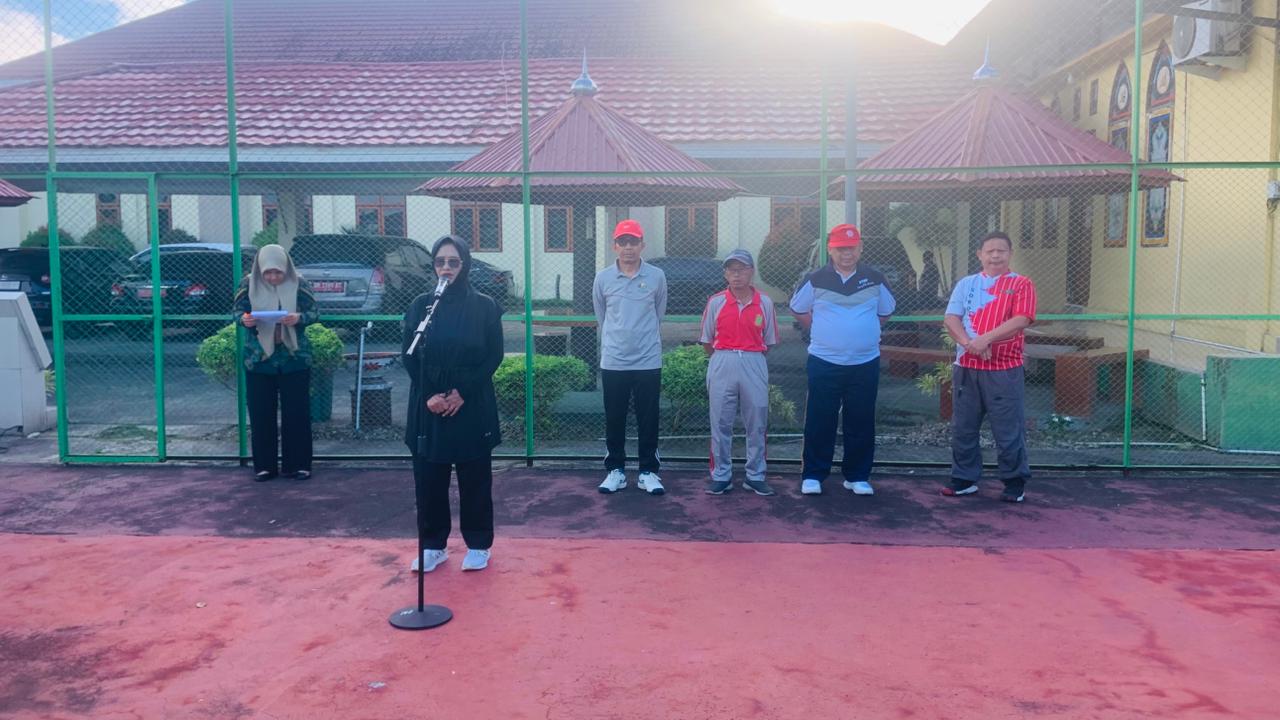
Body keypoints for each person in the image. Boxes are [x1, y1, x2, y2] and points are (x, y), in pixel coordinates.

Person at [402, 236, 503, 572]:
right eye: (440, 262)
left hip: (470, 401)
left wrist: (462, 392)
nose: (446, 268)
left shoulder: (485, 306)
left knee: (475, 476)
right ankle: (433, 546)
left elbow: (494, 355)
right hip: (428, 404)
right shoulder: (421, 305)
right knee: (429, 478)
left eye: (453, 262)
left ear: (465, 264)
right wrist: (429, 395)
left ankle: (478, 544)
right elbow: (409, 355)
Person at [790, 223, 896, 496]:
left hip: (865, 363)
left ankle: (857, 476)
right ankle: (813, 475)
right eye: (840, 248)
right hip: (824, 361)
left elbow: (885, 312)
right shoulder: (815, 279)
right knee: (819, 419)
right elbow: (799, 309)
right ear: (830, 249)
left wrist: (863, 331)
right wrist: (821, 329)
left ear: (860, 249)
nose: (846, 253)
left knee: (861, 419)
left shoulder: (875, 278)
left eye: (851, 248)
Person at [940, 231, 1037, 503]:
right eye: (990, 251)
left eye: (1001, 251)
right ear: (980, 255)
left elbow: (1022, 319)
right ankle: (964, 480)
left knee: (1008, 429)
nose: (995, 256)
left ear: (1010, 254)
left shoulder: (1021, 284)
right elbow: (951, 318)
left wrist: (985, 339)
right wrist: (968, 343)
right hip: (966, 367)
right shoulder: (966, 284)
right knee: (963, 427)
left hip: (1004, 369)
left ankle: (1014, 483)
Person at [593, 219, 668, 495]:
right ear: (615, 246)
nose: (628, 247)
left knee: (649, 418)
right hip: (614, 361)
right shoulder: (602, 278)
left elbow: (658, 313)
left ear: (642, 245)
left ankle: (648, 472)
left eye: (633, 242)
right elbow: (602, 316)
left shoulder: (657, 276)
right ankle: (616, 471)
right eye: (622, 242)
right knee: (615, 418)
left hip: (648, 360)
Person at [234, 244, 317, 482]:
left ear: (285, 269)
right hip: (258, 359)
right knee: (261, 414)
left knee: (297, 413)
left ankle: (298, 465)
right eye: (267, 273)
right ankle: (264, 466)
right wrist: (245, 320)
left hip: (294, 358)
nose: (272, 277)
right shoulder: (247, 283)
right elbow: (237, 312)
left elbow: (314, 312)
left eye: (277, 272)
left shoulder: (299, 283)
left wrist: (299, 318)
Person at [699, 249, 778, 496]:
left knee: (757, 421)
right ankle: (721, 475)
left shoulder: (765, 302)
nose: (736, 274)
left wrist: (749, 356)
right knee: (720, 422)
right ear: (725, 274)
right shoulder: (716, 302)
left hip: (754, 360)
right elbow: (707, 340)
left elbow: (769, 341)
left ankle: (755, 475)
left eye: (742, 269)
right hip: (723, 359)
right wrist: (727, 357)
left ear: (751, 272)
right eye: (731, 270)